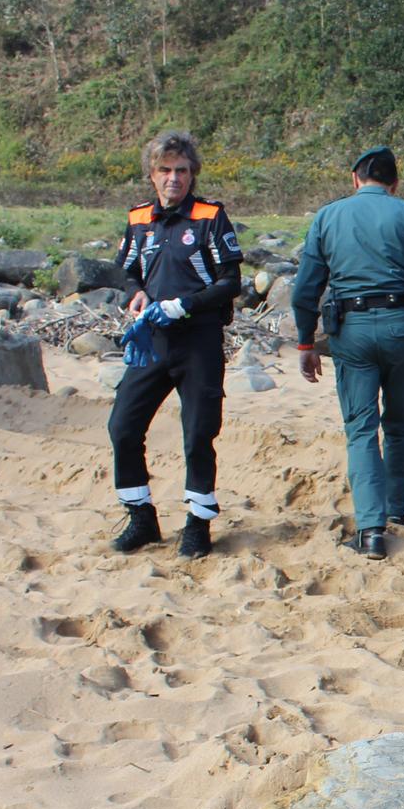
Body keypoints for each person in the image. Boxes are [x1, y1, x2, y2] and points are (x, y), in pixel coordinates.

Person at [289, 146, 404, 560]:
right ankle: (397, 510)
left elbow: (305, 290)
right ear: (395, 183)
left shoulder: (328, 216)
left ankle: (372, 530)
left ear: (355, 180)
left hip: (351, 331)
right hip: (400, 329)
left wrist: (305, 342)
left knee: (360, 429)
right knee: (398, 422)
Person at [106, 129, 243, 560]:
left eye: (181, 171)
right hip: (152, 340)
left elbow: (230, 282)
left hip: (198, 341)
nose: (173, 179)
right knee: (122, 427)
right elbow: (126, 271)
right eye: (165, 170)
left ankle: (198, 524)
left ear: (192, 174)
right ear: (152, 174)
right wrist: (137, 293)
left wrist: (184, 305)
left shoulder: (210, 216)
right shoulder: (138, 219)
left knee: (198, 434)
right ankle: (141, 517)